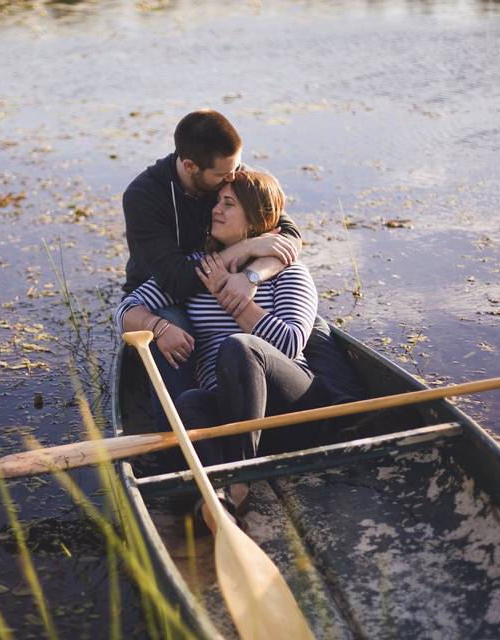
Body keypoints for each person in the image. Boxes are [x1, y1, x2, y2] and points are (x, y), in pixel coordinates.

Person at [117, 170, 340, 533]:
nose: (215, 211)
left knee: (240, 348)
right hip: (227, 415)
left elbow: (288, 344)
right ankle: (213, 493)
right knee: (189, 402)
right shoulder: (199, 270)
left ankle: (237, 484)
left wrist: (233, 297)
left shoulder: (287, 272)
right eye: (217, 202)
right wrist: (160, 326)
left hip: (289, 410)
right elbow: (125, 312)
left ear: (254, 218)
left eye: (228, 204)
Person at [121, 110, 304, 425]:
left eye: (236, 169)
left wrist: (251, 275)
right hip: (168, 289)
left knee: (313, 329)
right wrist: (244, 249)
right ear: (190, 166)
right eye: (223, 177)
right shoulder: (144, 197)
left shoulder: (230, 173)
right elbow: (176, 280)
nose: (233, 178)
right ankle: (176, 425)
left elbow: (286, 236)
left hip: (227, 278)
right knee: (175, 326)